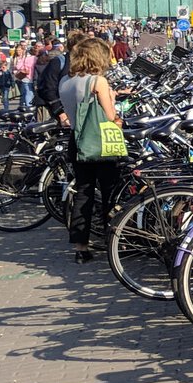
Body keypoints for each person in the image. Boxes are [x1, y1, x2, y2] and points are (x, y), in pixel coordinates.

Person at [58, 37, 125, 262]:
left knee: (83, 194)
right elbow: (109, 116)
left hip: (77, 142)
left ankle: (81, 247)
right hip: (100, 143)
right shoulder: (98, 81)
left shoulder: (65, 82)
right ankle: (112, 241)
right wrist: (114, 105)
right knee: (110, 193)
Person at [31, 39, 66, 124]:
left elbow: (35, 79)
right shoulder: (53, 67)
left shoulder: (39, 64)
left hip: (41, 99)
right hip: (48, 101)